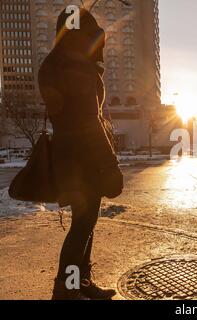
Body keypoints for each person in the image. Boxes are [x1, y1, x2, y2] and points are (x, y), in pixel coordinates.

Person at [38, 8, 122, 300]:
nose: (98, 39)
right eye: (90, 32)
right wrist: (109, 165)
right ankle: (66, 290)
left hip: (68, 159)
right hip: (83, 161)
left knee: (83, 224)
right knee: (82, 226)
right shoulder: (75, 68)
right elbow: (88, 122)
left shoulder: (54, 64)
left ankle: (79, 284)